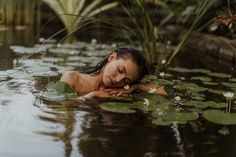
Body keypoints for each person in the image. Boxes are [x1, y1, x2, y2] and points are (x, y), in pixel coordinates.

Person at [60, 48, 167, 100]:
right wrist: (92, 96)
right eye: (120, 70)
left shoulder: (119, 93)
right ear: (111, 58)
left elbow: (166, 91)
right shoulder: (72, 78)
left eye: (126, 81)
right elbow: (56, 104)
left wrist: (137, 86)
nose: (118, 80)